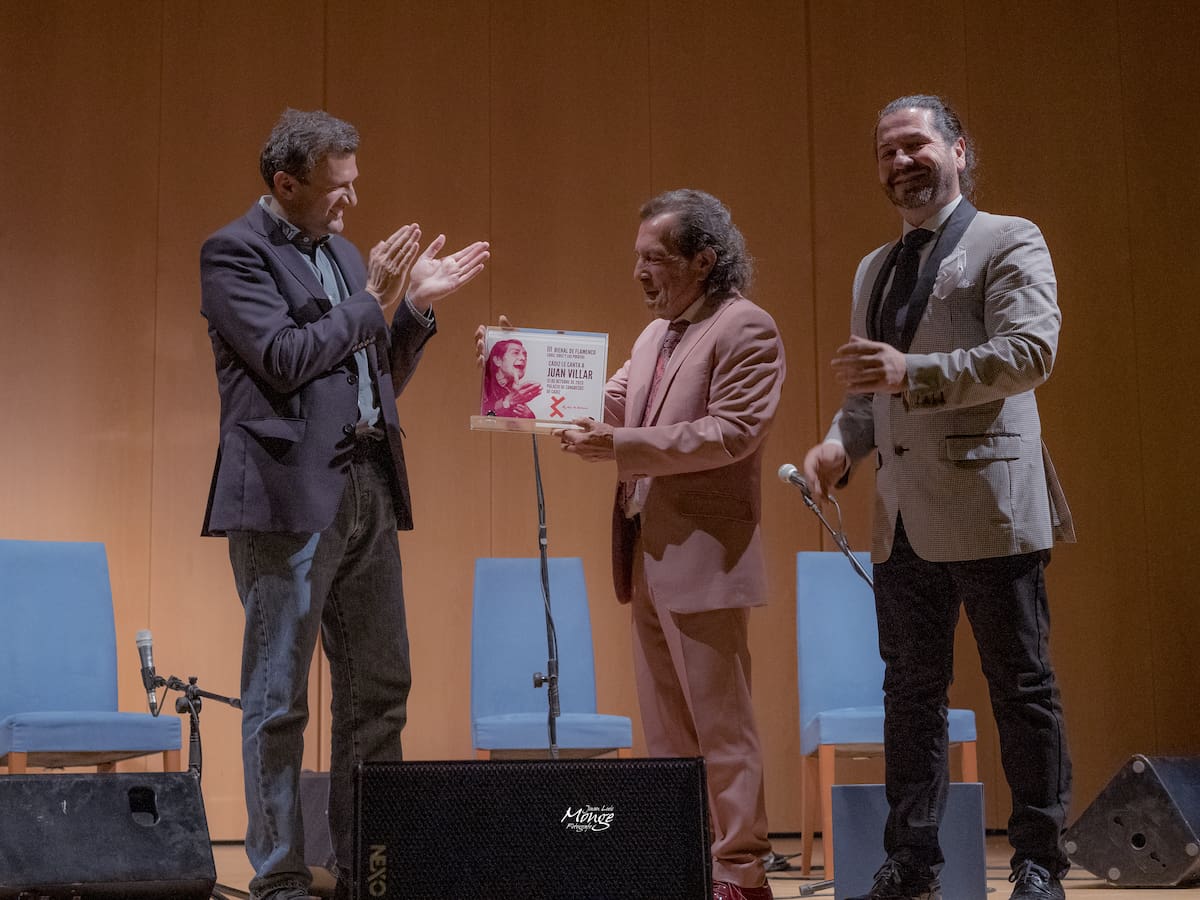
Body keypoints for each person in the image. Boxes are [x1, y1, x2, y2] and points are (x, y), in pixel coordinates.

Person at [200, 108, 488, 900]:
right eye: (336, 189)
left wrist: (414, 311)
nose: (350, 204)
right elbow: (287, 360)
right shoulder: (234, 254)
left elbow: (371, 376)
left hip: (367, 483)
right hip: (288, 500)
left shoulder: (345, 257)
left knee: (379, 691)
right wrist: (369, 298)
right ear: (286, 184)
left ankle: (373, 870)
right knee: (278, 695)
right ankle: (281, 877)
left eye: (354, 185)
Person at [802, 94, 1074, 900]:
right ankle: (912, 860)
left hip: (991, 504)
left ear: (959, 149)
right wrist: (836, 446)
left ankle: (1038, 862)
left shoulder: (1008, 238)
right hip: (901, 520)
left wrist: (910, 375)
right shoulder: (872, 269)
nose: (899, 162)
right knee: (910, 696)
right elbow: (866, 393)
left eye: (914, 144)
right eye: (886, 152)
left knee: (1020, 688)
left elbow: (1031, 352)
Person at [555, 189, 785, 900]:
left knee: (722, 727)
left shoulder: (747, 329)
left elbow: (730, 432)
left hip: (706, 557)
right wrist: (521, 366)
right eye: (637, 258)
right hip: (648, 552)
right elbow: (609, 399)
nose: (639, 273)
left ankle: (742, 873)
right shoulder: (655, 335)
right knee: (666, 729)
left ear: (703, 260)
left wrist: (619, 446)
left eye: (654, 259)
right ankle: (687, 860)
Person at [482, 337, 541, 417]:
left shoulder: (512, 391)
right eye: (515, 353)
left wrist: (528, 415)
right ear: (498, 360)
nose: (523, 358)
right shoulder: (483, 384)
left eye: (525, 355)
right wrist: (507, 402)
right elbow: (485, 416)